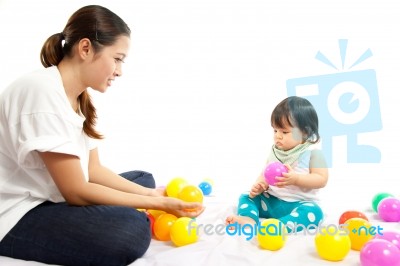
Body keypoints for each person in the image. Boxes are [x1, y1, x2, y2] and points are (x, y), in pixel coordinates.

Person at [0, 5, 204, 266]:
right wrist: (157, 203)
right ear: (85, 48)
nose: (119, 70)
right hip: (16, 213)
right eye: (117, 58)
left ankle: (140, 203)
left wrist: (153, 197)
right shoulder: (41, 91)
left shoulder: (78, 97)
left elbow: (93, 170)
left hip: (51, 194)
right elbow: (76, 191)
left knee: (145, 179)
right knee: (129, 230)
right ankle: (133, 214)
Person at [226, 96, 328, 233]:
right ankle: (249, 219)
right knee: (246, 196)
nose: (277, 136)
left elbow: (321, 179)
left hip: (299, 205)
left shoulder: (314, 154)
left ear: (305, 132)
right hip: (272, 201)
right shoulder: (275, 152)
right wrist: (260, 185)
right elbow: (265, 173)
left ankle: (280, 225)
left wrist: (296, 179)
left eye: (284, 132)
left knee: (314, 212)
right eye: (275, 130)